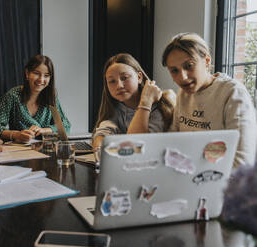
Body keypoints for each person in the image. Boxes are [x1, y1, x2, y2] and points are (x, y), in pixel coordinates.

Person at [162, 32, 256, 168]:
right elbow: (174, 137)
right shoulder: (183, 92)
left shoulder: (234, 93)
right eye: (174, 71)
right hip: (188, 174)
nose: (182, 77)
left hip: (220, 183)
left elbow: (242, 161)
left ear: (207, 61)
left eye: (189, 66)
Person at [92, 53, 176, 148]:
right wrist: (100, 144)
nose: (119, 85)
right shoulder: (117, 109)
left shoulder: (159, 106)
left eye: (124, 78)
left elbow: (135, 145)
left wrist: (146, 102)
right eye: (112, 81)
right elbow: (101, 137)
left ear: (139, 77)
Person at [0, 54, 71, 143]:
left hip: (47, 149)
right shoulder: (12, 96)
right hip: (19, 151)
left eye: (46, 75)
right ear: (27, 73)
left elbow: (65, 126)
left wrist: (45, 130)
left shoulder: (51, 96)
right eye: (36, 73)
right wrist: (16, 135)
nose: (41, 80)